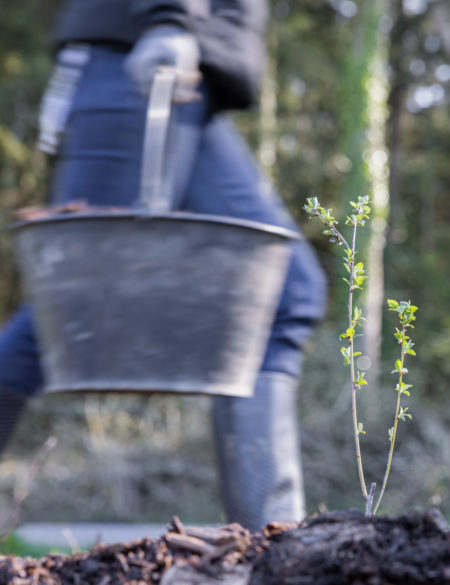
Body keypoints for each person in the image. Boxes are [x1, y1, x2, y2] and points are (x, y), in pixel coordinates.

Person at [0, 0, 327, 532]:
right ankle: (272, 539)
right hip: (139, 62)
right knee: (72, 305)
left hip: (189, 85)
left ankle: (271, 544)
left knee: (281, 291)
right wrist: (168, 17)